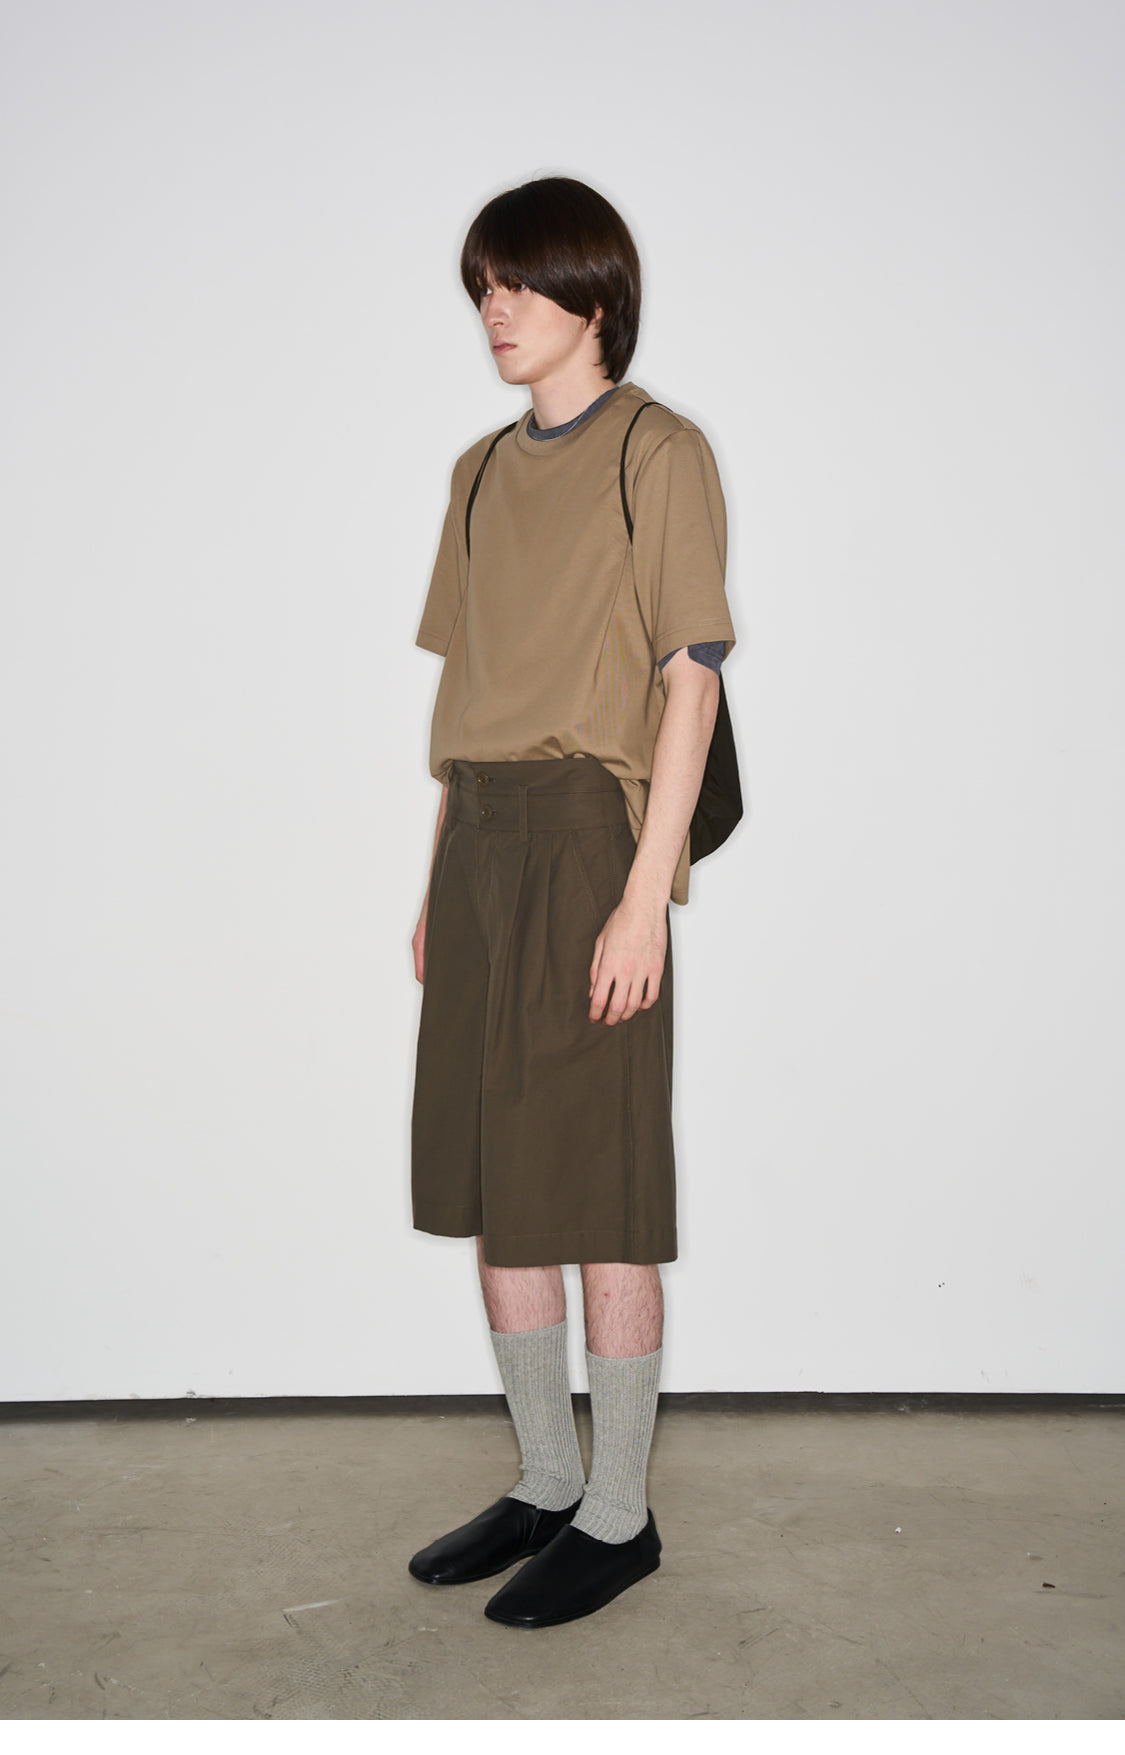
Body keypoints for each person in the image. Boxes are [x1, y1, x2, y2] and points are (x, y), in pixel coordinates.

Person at [406, 175, 736, 1628]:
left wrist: (644, 897)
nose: (495, 308)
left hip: (591, 838)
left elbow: (689, 684)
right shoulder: (476, 473)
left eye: (520, 284)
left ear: (593, 299)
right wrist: (436, 877)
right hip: (479, 838)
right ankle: (547, 1476)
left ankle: (619, 1512)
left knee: (597, 1187)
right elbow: (467, 688)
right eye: (482, 285)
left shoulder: (658, 453)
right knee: (502, 1184)